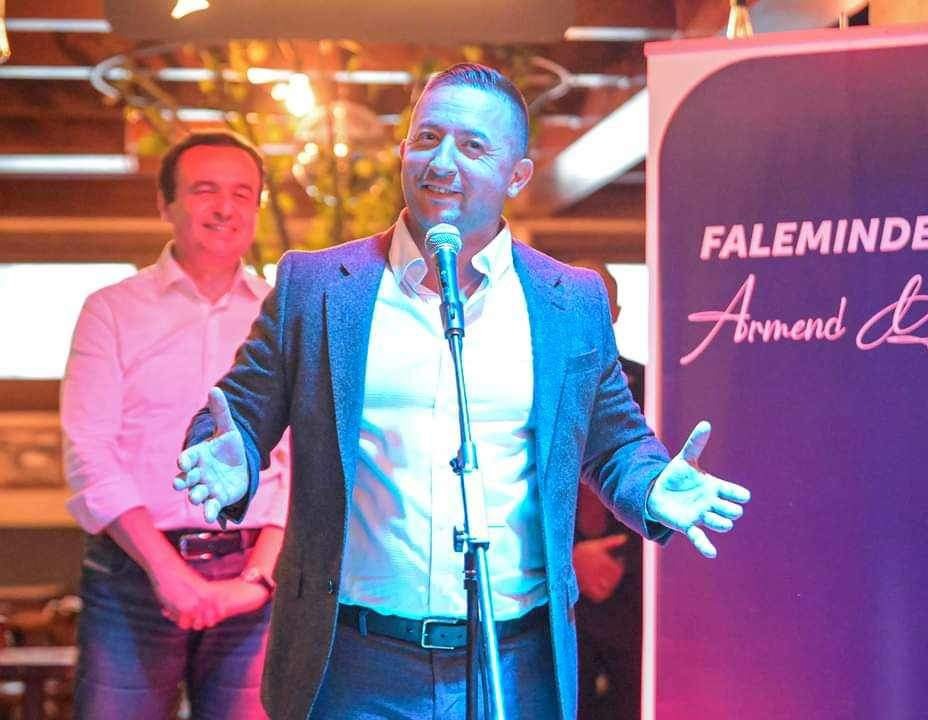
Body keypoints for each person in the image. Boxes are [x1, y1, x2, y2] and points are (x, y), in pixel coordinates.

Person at [174, 64, 750, 720]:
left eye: (473, 147)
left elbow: (613, 438)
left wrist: (650, 484)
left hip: (516, 664)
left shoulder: (569, 300)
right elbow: (238, 412)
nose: (442, 161)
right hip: (354, 665)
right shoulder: (319, 287)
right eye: (428, 138)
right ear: (404, 150)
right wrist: (228, 457)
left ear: (518, 175)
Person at [62, 132, 290, 719]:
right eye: (204, 190)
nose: (225, 208)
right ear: (164, 203)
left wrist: (258, 579)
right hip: (133, 576)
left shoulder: (282, 312)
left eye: (242, 193)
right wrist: (168, 574)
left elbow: (301, 461)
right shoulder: (111, 309)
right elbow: (90, 452)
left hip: (256, 579)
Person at [570, 260, 645, 720]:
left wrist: (620, 561)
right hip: (555, 595)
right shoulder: (520, 389)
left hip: (636, 596)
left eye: (597, 306)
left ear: (615, 313)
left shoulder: (656, 387)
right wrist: (570, 558)